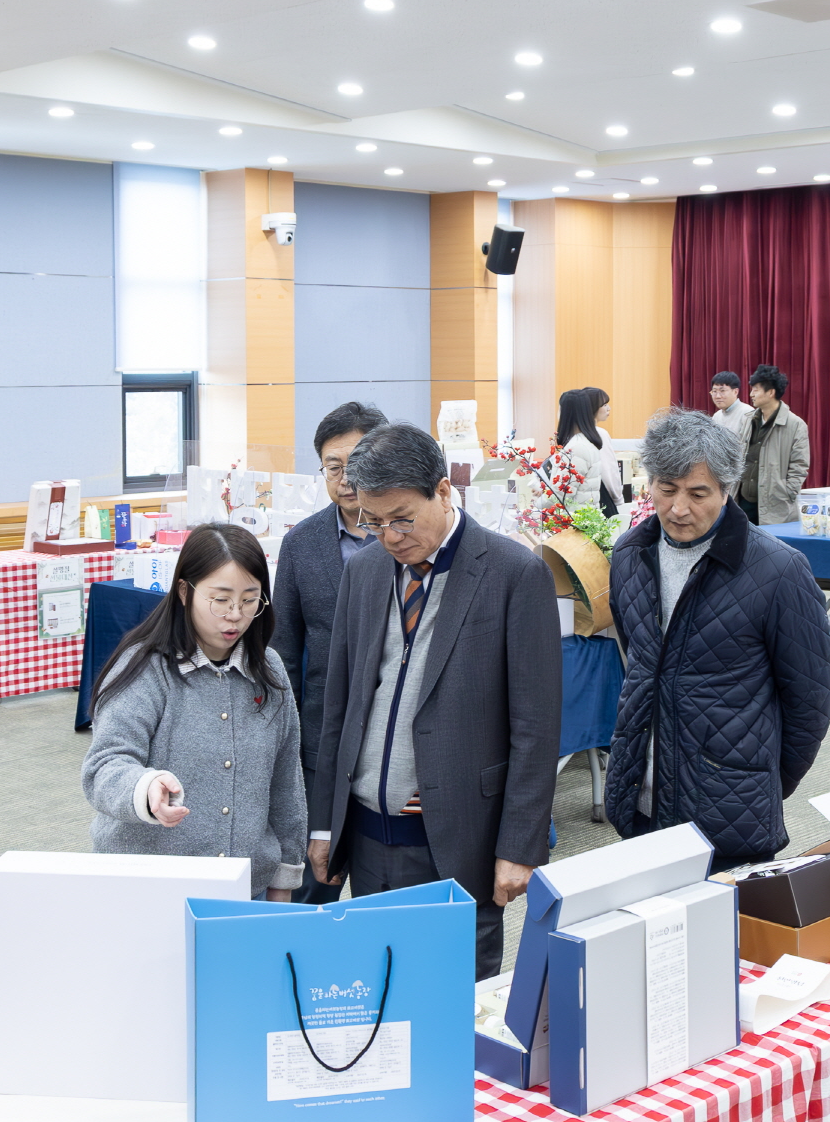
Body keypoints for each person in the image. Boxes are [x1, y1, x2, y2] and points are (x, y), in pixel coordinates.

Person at [308, 423, 561, 980]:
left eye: (402, 518)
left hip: (457, 834)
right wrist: (325, 823)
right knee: (372, 988)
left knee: (452, 999)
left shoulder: (514, 574)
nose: (390, 537)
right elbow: (342, 704)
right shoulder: (367, 570)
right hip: (368, 830)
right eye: (372, 522)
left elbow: (537, 727)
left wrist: (520, 846)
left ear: (443, 492)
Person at [606, 411, 830, 867]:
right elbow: (637, 661)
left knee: (729, 937)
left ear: (727, 490)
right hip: (641, 800)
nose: (678, 509)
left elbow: (809, 703)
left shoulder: (777, 570)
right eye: (666, 490)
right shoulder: (629, 555)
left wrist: (754, 781)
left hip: (728, 813)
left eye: (698, 494)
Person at [83, 525, 307, 900]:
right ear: (185, 592)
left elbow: (286, 783)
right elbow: (105, 765)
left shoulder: (268, 671)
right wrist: (145, 788)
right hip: (149, 889)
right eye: (220, 600)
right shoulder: (144, 669)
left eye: (250, 600)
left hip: (242, 887)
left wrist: (283, 878)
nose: (235, 615)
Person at [271, 402, 390, 854]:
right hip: (323, 736)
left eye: (355, 465)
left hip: (395, 737)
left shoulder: (409, 536)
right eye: (332, 467)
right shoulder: (301, 543)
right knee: (314, 875)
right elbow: (282, 650)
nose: (344, 480)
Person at [735, 365, 810, 525]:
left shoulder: (795, 424)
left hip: (775, 503)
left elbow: (800, 464)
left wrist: (788, 491)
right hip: (742, 501)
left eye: (755, 390)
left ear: (770, 392)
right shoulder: (747, 419)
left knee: (770, 548)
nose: (751, 394)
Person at [554, 386, 622, 516]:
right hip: (598, 497)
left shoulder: (576, 438)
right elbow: (608, 471)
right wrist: (617, 498)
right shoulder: (597, 434)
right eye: (604, 404)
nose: (609, 408)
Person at [708, 370, 748, 436]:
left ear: (735, 392)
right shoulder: (716, 416)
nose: (718, 396)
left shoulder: (747, 413)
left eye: (722, 391)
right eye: (714, 391)